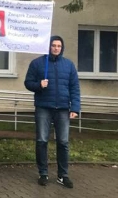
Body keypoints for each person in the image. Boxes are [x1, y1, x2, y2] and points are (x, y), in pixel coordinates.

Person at [24, 35, 80, 188]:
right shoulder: (37, 63)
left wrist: (75, 107)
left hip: (62, 108)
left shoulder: (68, 65)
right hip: (43, 107)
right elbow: (28, 83)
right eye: (53, 45)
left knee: (63, 142)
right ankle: (43, 173)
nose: (56, 48)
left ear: (62, 48)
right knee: (42, 140)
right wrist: (39, 85)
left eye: (59, 46)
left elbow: (74, 87)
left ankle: (63, 175)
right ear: (48, 46)